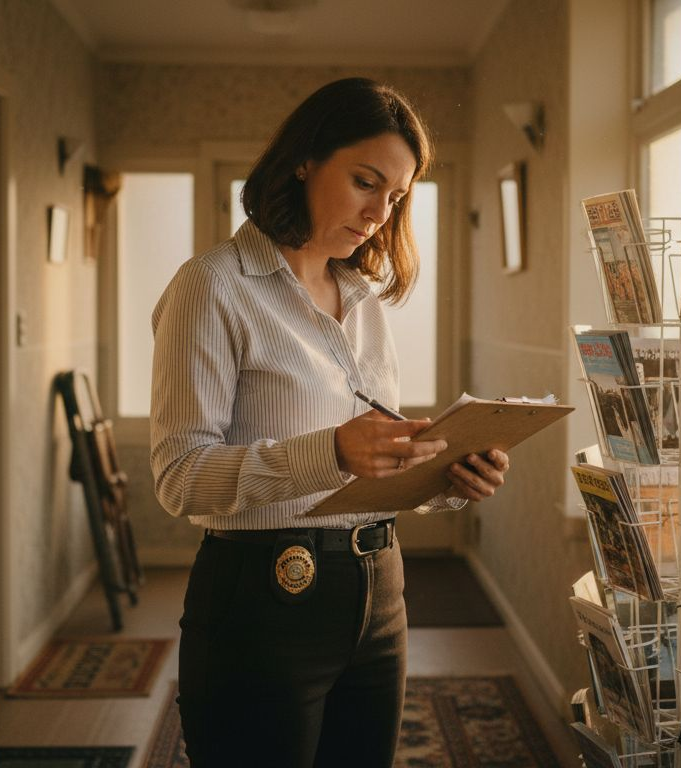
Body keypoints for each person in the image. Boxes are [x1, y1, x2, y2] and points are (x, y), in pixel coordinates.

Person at [150, 78, 511, 768]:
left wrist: (448, 477)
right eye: (365, 182)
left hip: (381, 594)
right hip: (263, 601)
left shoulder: (364, 297)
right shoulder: (213, 284)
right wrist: (331, 453)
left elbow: (371, 463)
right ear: (304, 161)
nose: (380, 212)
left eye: (397, 197)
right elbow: (178, 479)